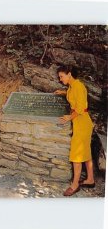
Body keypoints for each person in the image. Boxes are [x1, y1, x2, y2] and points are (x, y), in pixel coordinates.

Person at [54, 65, 94, 197]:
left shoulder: (78, 86)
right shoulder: (72, 86)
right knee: (86, 152)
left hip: (82, 123)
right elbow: (75, 97)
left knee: (76, 156)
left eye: (61, 76)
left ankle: (75, 185)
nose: (60, 79)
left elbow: (81, 107)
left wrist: (69, 117)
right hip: (81, 123)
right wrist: (63, 93)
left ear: (69, 74)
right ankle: (90, 180)